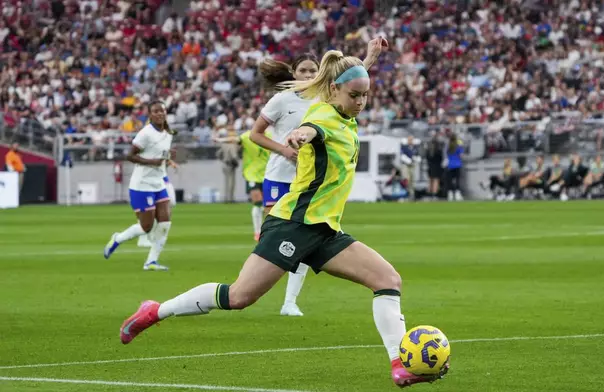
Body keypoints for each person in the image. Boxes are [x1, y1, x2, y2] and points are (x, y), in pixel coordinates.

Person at [118, 48, 443, 388]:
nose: (361, 102)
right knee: (238, 297)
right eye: (355, 95)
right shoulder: (323, 118)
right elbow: (312, 129)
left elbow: (345, 78)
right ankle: (155, 311)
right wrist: (299, 135)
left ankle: (398, 364)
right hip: (292, 223)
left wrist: (369, 57)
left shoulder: (343, 107)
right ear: (334, 91)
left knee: (387, 279)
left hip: (325, 230)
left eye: (365, 95)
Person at [249, 38, 385, 317]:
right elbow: (257, 134)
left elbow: (353, 82)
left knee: (302, 237)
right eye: (304, 71)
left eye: (314, 71)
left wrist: (370, 59)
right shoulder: (283, 100)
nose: (310, 76)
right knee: (284, 237)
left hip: (313, 179)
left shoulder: (328, 97)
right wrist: (288, 148)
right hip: (281, 174)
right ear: (294, 74)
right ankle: (257, 282)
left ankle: (289, 301)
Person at [104, 101, 175, 271]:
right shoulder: (145, 133)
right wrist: (151, 162)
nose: (160, 114)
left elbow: (162, 155)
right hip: (141, 185)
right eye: (156, 111)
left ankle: (151, 262)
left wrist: (169, 159)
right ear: (150, 115)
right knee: (146, 227)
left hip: (158, 183)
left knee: (165, 223)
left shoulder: (168, 133)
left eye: (162, 111)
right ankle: (118, 238)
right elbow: (130, 155)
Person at [215, 129, 272, 241]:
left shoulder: (270, 136)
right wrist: (220, 139)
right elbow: (234, 139)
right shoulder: (248, 136)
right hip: (252, 174)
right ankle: (257, 232)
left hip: (268, 173)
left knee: (268, 206)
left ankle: (269, 230)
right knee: (257, 203)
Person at [138, 161, 178, 248]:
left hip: (163, 182)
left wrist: (170, 162)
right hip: (150, 183)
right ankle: (143, 238)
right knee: (149, 210)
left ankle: (154, 235)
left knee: (168, 206)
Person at [444, 133, 464, 201]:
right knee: (457, 180)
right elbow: (461, 155)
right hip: (457, 164)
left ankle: (450, 194)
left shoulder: (448, 146)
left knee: (450, 180)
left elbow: (445, 154)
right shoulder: (458, 145)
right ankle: (457, 194)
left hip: (450, 165)